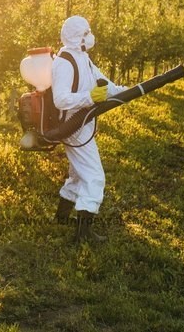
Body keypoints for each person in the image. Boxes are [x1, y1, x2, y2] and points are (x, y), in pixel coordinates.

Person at [50, 15, 122, 243]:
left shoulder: (84, 58)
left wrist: (135, 90)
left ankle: (61, 216)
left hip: (82, 122)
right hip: (72, 125)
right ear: (76, 36)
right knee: (94, 175)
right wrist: (88, 97)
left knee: (78, 173)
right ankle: (83, 233)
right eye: (86, 33)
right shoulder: (64, 62)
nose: (90, 36)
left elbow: (107, 85)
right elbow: (60, 99)